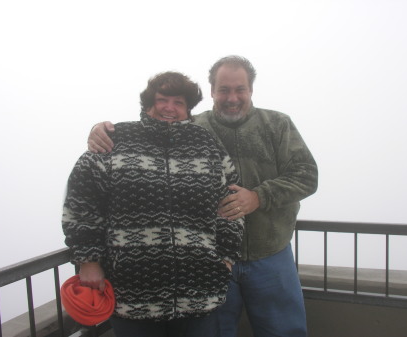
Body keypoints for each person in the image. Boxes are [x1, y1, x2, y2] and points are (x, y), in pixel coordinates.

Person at [87, 56, 318, 337]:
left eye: (239, 89)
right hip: (210, 262)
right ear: (212, 91)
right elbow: (151, 131)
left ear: (251, 90)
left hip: (270, 256)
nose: (232, 97)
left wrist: (258, 196)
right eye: (223, 89)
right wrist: (102, 130)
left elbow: (307, 175)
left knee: (284, 332)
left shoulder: (278, 125)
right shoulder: (192, 127)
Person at [62, 71, 244, 337]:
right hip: (133, 297)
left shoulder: (207, 145)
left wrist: (225, 258)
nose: (169, 108)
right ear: (148, 104)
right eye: (162, 100)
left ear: (188, 109)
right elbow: (82, 202)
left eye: (178, 102)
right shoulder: (115, 140)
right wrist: (88, 260)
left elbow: (232, 202)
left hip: (200, 294)